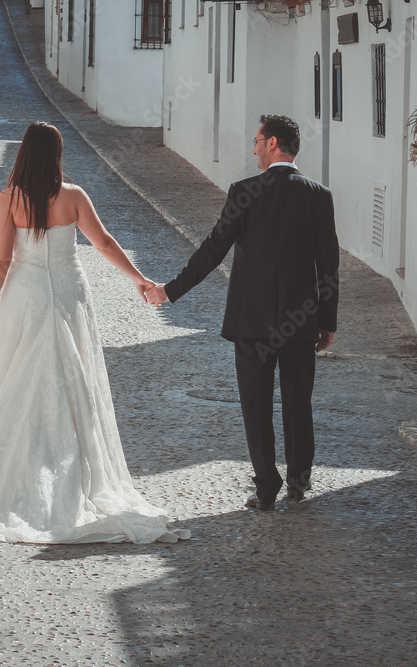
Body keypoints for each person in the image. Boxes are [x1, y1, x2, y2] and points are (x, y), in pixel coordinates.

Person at [0, 122, 189, 544]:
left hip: (25, 297)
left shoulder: (9, 198)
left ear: (23, 154)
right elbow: (103, 243)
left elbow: (0, 261)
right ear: (58, 155)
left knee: (11, 380)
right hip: (68, 293)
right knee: (72, 378)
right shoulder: (74, 196)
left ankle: (2, 468)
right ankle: (71, 469)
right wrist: (139, 279)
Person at [147, 114, 339, 511]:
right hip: (300, 322)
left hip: (252, 323)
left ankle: (266, 486)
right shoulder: (319, 195)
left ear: (272, 144)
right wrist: (327, 322)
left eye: (256, 141)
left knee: (256, 405)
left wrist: (171, 291)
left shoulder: (244, 192)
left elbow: (213, 249)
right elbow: (328, 265)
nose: (253, 148)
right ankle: (299, 482)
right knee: (298, 402)